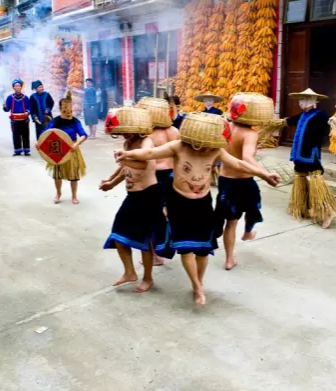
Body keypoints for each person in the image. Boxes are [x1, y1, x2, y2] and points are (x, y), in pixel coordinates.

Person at [115, 112, 281, 305]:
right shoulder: (178, 147)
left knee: (202, 250)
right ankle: (197, 286)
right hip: (179, 203)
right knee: (186, 249)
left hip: (202, 204)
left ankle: (197, 283)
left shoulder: (216, 151)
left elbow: (238, 163)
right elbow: (150, 153)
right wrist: (127, 154)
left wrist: (264, 174)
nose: (204, 148)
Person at [100, 107, 169, 293]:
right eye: (120, 132)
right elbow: (125, 168)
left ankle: (148, 278)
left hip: (149, 196)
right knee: (118, 235)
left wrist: (125, 159)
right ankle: (129, 272)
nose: (122, 134)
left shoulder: (147, 141)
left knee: (144, 241)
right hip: (132, 197)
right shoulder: (127, 144)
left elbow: (144, 161)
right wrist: (111, 183)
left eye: (125, 131)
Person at [216, 93, 286, 270]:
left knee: (230, 222)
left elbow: (232, 151)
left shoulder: (225, 127)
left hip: (225, 180)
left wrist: (252, 149)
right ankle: (247, 232)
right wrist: (265, 173)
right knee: (253, 208)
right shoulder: (250, 133)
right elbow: (246, 157)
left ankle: (229, 259)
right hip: (243, 181)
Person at [285, 88, 336, 229]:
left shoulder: (320, 115)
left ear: (311, 101)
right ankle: (302, 207)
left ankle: (326, 212)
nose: (300, 102)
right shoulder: (302, 115)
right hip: (298, 155)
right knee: (300, 178)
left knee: (316, 180)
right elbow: (288, 121)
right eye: (299, 99)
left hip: (311, 155)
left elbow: (331, 122)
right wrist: (272, 123)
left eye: (303, 99)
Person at [136, 95, 180, 266]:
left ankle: (154, 255)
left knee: (152, 217)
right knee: (167, 215)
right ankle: (164, 248)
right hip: (175, 176)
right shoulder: (175, 131)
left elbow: (146, 161)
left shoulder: (149, 136)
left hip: (157, 177)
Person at [38, 92, 87, 204]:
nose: (69, 111)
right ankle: (58, 193)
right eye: (65, 109)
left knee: (74, 174)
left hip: (72, 148)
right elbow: (45, 133)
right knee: (57, 174)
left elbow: (83, 135)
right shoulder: (55, 121)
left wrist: (77, 143)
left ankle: (74, 195)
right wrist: (39, 143)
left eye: (70, 109)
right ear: (60, 108)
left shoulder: (75, 121)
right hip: (58, 148)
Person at [3, 78, 32, 156]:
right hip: (14, 120)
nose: (17, 87)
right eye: (16, 86)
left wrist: (27, 112)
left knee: (25, 134)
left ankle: (26, 150)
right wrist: (5, 107)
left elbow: (29, 107)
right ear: (13, 87)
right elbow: (7, 109)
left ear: (21, 87)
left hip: (24, 119)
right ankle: (17, 150)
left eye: (19, 86)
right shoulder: (10, 98)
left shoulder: (25, 98)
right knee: (16, 135)